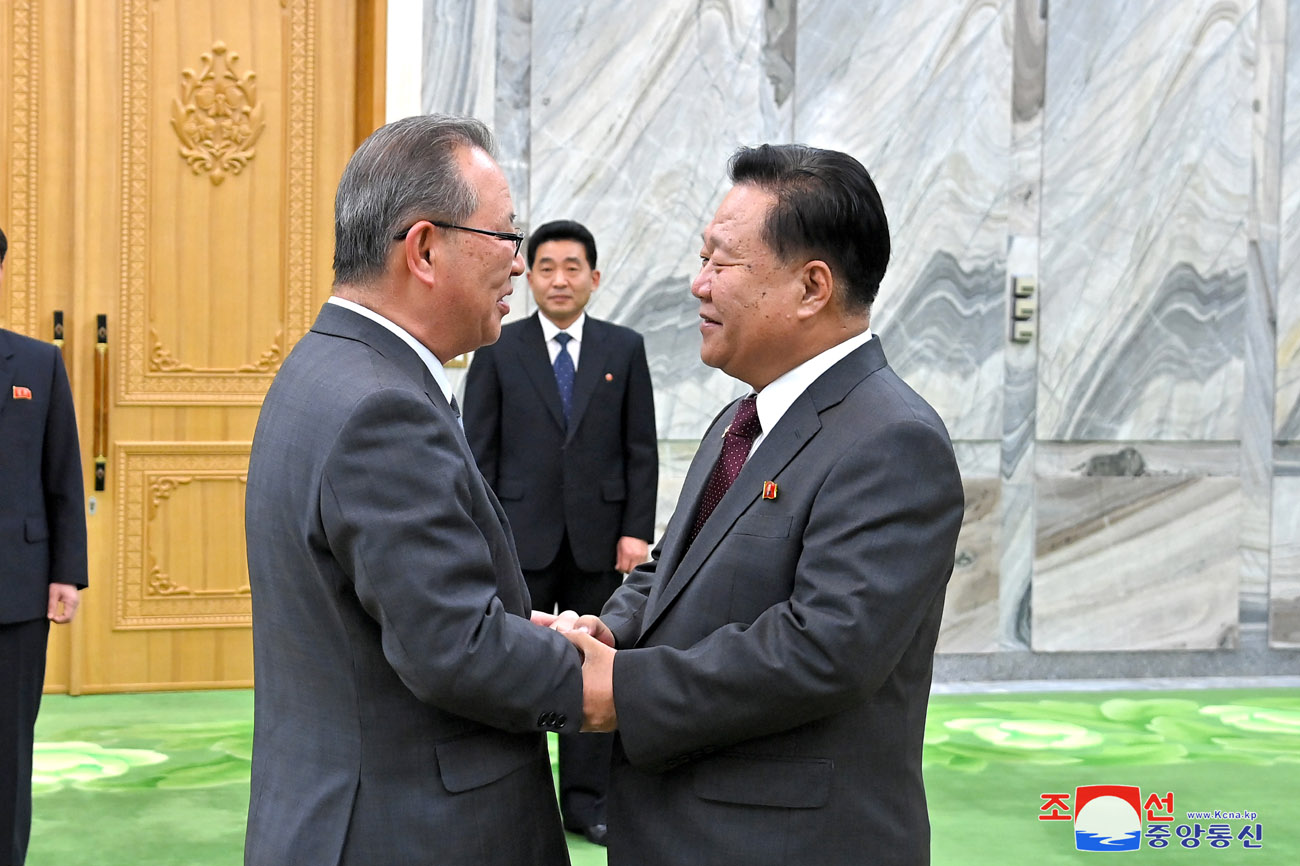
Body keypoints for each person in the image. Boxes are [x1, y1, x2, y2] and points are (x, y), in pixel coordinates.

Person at [551, 144, 965, 866]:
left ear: (812, 287)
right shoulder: (743, 421)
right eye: (701, 258)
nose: (697, 284)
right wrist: (609, 631)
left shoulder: (893, 440)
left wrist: (622, 688)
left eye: (721, 262)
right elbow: (670, 570)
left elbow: (825, 649)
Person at [243, 116, 584, 866]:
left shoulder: (326, 366)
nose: (521, 269)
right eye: (507, 239)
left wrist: (521, 632)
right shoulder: (381, 407)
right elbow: (455, 651)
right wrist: (604, 680)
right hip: (412, 831)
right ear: (426, 249)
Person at [463, 219, 658, 846]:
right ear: (529, 277)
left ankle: (585, 799)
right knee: (511, 664)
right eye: (545, 267)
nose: (559, 279)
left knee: (592, 666)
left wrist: (635, 531)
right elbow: (477, 453)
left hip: (602, 539)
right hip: (519, 538)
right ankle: (513, 796)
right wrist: (484, 534)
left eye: (573, 267)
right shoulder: (497, 347)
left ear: (594, 278)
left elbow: (640, 450)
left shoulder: (623, 348)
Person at [0, 226, 87, 866]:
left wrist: (66, 573)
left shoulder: (36, 364)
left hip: (17, 591)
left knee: (8, 750)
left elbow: (62, 475)